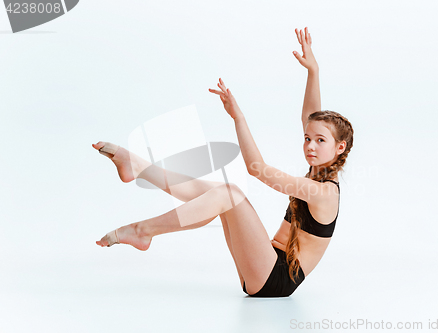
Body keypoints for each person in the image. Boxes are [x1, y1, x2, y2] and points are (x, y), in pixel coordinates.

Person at [94, 27, 354, 297]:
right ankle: (140, 168)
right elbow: (312, 117)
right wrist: (313, 71)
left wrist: (238, 118)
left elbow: (256, 169)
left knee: (229, 194)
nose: (310, 145)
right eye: (307, 138)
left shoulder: (322, 192)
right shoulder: (317, 172)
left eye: (320, 141)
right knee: (218, 192)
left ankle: (142, 230)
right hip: (262, 265)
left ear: (340, 147)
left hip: (275, 278)